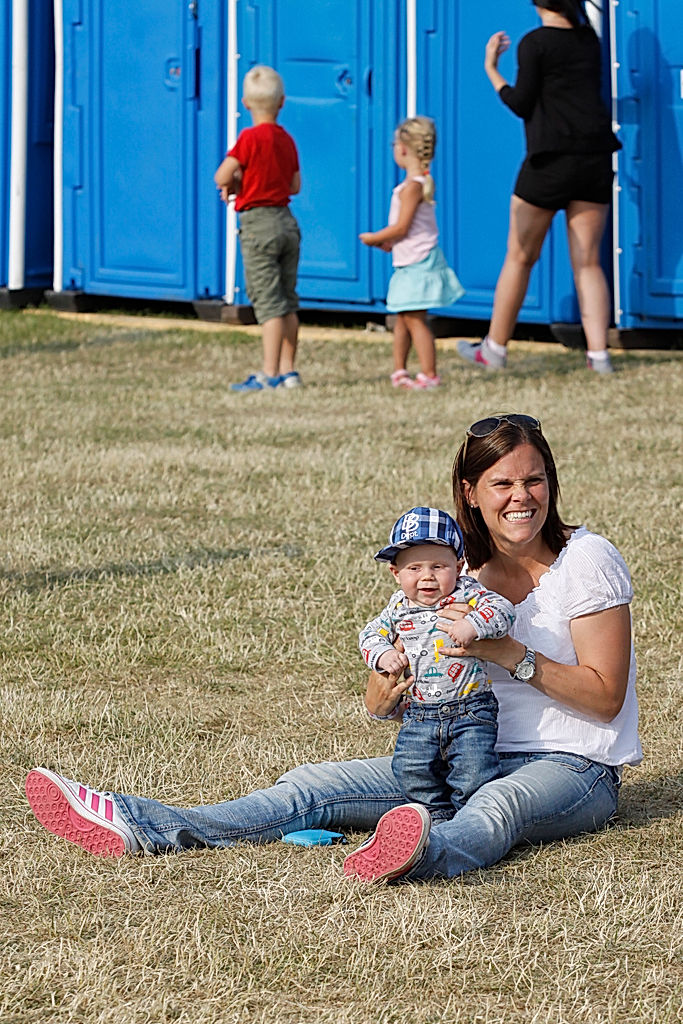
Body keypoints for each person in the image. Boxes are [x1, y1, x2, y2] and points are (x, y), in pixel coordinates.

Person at [25, 414, 642, 886]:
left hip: (572, 766)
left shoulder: (586, 560)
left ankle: (421, 851)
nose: (521, 497)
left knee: (496, 807)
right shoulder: (452, 570)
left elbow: (605, 698)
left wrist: (508, 652)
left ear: (551, 483)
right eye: (502, 483)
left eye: (534, 480)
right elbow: (392, 691)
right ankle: (139, 824)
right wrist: (386, 689)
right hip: (451, 752)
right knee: (312, 786)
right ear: (471, 492)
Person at [456, 2, 621, 375]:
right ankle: (599, 357)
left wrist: (491, 69)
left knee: (520, 256)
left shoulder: (535, 43)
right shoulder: (588, 39)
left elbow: (521, 102)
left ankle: (494, 349)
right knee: (588, 261)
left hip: (549, 162)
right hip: (593, 158)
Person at [359, 506, 515, 823]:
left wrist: (474, 624)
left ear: (458, 567)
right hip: (419, 712)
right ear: (395, 573)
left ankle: (471, 821)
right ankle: (433, 817)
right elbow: (369, 635)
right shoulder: (397, 607)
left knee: (474, 771)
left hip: (472, 708)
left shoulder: (467, 593)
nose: (427, 576)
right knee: (411, 768)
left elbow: (504, 610)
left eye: (438, 566)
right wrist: (383, 655)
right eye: (414, 568)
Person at [214, 65, 303, 392]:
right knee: (288, 301)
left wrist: (235, 180)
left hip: (258, 224)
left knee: (269, 304)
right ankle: (289, 371)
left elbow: (222, 175)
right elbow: (294, 186)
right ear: (282, 102)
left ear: (245, 103)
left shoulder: (248, 139)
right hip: (286, 222)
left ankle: (268, 374)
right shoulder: (286, 140)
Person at [359, 116, 464, 390]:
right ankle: (400, 370)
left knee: (415, 320)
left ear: (404, 149)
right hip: (410, 260)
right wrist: (390, 243)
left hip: (418, 263)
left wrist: (375, 238)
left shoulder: (412, 188)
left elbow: (401, 227)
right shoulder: (418, 184)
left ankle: (429, 375)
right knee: (403, 318)